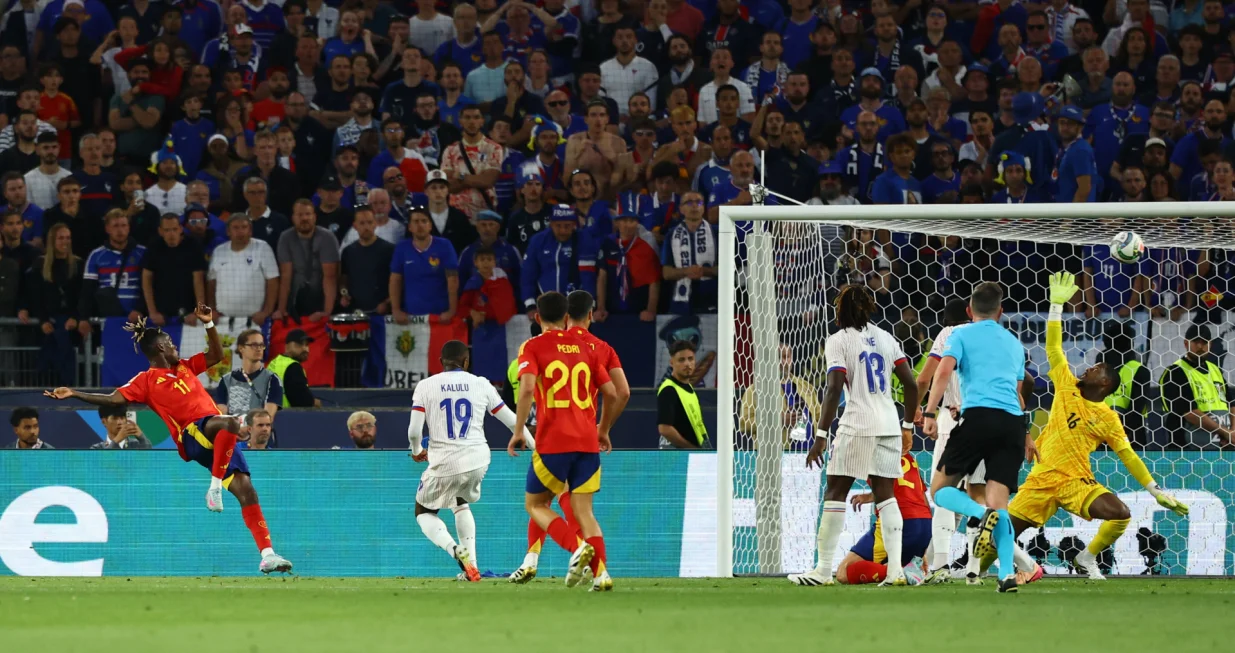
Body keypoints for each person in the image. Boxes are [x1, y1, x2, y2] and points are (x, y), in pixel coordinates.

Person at [44, 307, 294, 574]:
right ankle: (214, 487)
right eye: (172, 344)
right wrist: (73, 393)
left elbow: (217, 355)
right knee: (231, 422)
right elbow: (113, 399)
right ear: (161, 348)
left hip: (217, 437)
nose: (176, 347)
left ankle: (267, 554)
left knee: (247, 490)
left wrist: (209, 323)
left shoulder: (184, 367)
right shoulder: (146, 380)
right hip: (191, 435)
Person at [997, 273, 1190, 580]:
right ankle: (966, 573)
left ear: (1103, 383)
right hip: (1042, 479)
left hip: (1077, 482)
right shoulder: (1066, 385)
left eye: (1096, 368)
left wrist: (1155, 491)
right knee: (997, 539)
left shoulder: (1107, 417)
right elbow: (1054, 348)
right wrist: (1056, 306)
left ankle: (1087, 557)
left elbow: (1128, 455)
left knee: (1121, 514)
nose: (1088, 366)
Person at [789, 285, 918, 587]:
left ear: (839, 312)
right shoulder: (887, 338)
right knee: (886, 496)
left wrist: (820, 434)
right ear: (869, 307)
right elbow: (911, 386)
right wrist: (908, 426)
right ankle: (896, 570)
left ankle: (822, 571)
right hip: (888, 423)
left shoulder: (838, 340)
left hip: (858, 423)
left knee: (835, 491)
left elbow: (834, 387)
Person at [510, 290, 629, 583]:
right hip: (588, 441)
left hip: (553, 439)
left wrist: (518, 432)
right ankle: (601, 575)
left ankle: (575, 549)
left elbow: (525, 389)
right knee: (585, 512)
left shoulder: (532, 347)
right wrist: (603, 430)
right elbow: (615, 392)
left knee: (536, 504)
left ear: (537, 318)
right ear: (567, 318)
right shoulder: (589, 347)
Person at [922, 282, 1034, 594]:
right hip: (1012, 422)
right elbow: (1018, 394)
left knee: (940, 491)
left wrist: (930, 413)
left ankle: (981, 514)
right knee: (1001, 503)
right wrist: (1025, 433)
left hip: (977, 418)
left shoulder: (960, 334)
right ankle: (1008, 575)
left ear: (969, 311)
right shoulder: (1013, 343)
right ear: (1000, 312)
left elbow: (943, 373)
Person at [409, 340, 535, 582]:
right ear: (466, 362)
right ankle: (472, 567)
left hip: (445, 461)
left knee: (423, 510)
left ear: (440, 363)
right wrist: (535, 447)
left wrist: (416, 450)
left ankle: (454, 549)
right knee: (460, 502)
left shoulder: (426, 386)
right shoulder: (481, 384)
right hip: (478, 460)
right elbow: (511, 420)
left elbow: (414, 431)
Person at [835, 455, 933, 585]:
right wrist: (923, 548)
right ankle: (908, 568)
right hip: (925, 525)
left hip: (899, 522)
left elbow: (885, 488)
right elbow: (919, 496)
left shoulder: (877, 454)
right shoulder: (910, 459)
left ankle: (901, 571)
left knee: (843, 572)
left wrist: (870, 496)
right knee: (885, 563)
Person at [1159, 324, 1235, 449]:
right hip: (1189, 451)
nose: (1200, 346)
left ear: (1210, 344)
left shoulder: (1214, 369)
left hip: (1222, 447)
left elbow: (1231, 403)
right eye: (1195, 342)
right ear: (1186, 344)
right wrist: (1225, 433)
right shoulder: (1175, 372)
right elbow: (1189, 413)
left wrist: (1232, 432)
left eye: (1204, 342)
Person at [389, 207, 459, 325]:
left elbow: (453, 280)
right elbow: (395, 280)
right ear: (410, 227)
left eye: (424, 221)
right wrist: (395, 309)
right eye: (416, 222)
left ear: (430, 225)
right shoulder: (402, 248)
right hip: (411, 317)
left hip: (440, 316)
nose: (420, 225)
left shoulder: (444, 245)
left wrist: (452, 310)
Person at [214, 328, 283, 420]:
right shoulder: (226, 380)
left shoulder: (272, 379)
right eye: (254, 345)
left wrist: (248, 429)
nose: (259, 349)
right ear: (241, 348)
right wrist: (237, 429)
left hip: (258, 432)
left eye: (261, 345)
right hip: (233, 432)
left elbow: (268, 417)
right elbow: (221, 414)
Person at [657, 339, 708, 449]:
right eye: (681, 360)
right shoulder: (669, 390)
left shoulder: (688, 388)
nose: (687, 364)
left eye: (690, 359)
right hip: (676, 456)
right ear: (672, 362)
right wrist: (690, 448)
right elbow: (665, 429)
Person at [267, 328, 320, 408]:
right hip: (288, 417)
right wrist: (314, 402)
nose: (305, 349)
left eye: (306, 345)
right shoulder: (293, 367)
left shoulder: (275, 362)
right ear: (287, 347)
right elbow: (303, 403)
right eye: (299, 344)